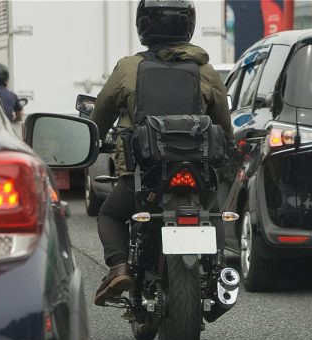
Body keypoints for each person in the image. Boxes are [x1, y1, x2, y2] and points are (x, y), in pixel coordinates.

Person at [91, 0, 233, 306]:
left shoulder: (129, 67)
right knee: (212, 210)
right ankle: (219, 270)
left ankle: (118, 268)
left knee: (111, 215)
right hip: (196, 170)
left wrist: (91, 140)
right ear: (189, 25)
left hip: (144, 173)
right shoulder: (205, 70)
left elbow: (101, 113)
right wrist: (229, 152)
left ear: (143, 25)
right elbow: (223, 123)